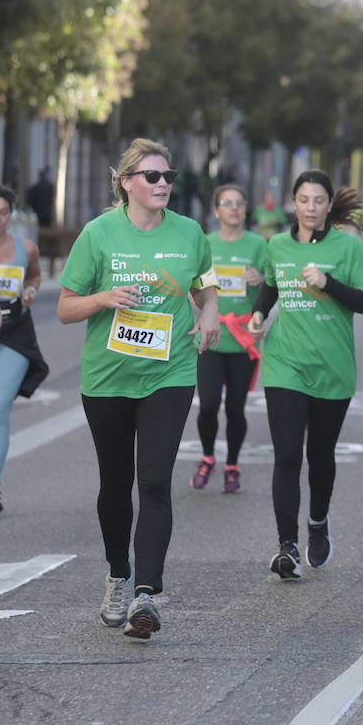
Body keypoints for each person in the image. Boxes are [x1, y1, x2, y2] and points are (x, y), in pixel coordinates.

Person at [58, 138, 220, 640]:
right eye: (152, 177)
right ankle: (118, 576)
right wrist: (104, 297)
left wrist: (209, 312)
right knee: (114, 486)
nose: (163, 184)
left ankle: (147, 594)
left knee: (153, 482)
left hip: (167, 373)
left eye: (168, 176)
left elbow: (205, 284)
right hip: (107, 377)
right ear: (126, 182)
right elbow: (65, 307)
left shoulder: (190, 233)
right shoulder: (98, 234)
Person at [249, 170, 363, 579]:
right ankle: (287, 546)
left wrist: (328, 283)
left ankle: (317, 523)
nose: (310, 207)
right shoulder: (278, 245)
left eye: (318, 200)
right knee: (286, 454)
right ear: (294, 203)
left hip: (332, 367)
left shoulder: (348, 247)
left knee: (319, 456)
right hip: (284, 362)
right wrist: (258, 312)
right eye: (303, 199)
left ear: (327, 205)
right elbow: (270, 285)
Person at [0, 185, 49, 516]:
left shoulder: (25, 248)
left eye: (4, 212)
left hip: (15, 334)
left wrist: (30, 290)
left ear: (10, 215)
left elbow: (34, 275)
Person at [191, 183, 268, 493]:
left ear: (246, 208)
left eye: (239, 202)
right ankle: (208, 456)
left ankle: (232, 464)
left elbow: (272, 287)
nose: (234, 208)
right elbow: (193, 286)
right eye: (227, 203)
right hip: (212, 336)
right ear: (216, 210)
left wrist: (260, 280)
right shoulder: (205, 243)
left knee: (236, 408)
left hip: (243, 338)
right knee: (208, 405)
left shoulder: (259, 245)